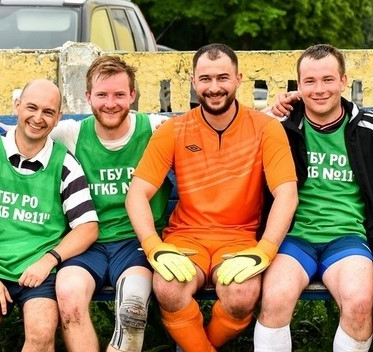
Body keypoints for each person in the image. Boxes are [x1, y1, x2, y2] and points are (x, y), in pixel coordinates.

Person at [125, 43, 298, 352]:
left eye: (223, 78)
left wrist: (266, 249)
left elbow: (286, 194)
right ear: (194, 82)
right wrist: (153, 246)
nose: (214, 87)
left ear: (238, 79)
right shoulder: (174, 129)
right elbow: (137, 193)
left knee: (242, 294)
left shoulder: (266, 128)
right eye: (205, 79)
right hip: (186, 236)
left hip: (239, 237)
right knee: (167, 287)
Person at [254, 44, 373, 352]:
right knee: (274, 298)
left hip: (347, 237)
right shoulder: (280, 128)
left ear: (343, 81)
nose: (319, 89)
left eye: (328, 80)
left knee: (359, 303)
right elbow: (238, 130)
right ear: (298, 86)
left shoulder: (372, 127)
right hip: (294, 238)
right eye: (310, 82)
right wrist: (273, 110)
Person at [52, 55, 172, 352]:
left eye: (119, 94)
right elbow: (18, 137)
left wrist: (274, 111)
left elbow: (213, 127)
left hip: (137, 242)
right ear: (88, 96)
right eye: (102, 95)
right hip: (86, 242)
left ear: (132, 95)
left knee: (132, 310)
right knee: (68, 299)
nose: (110, 103)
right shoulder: (71, 134)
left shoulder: (155, 128)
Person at [0, 79, 98, 352]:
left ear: (58, 118)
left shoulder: (65, 163)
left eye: (48, 112)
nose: (38, 118)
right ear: (17, 106)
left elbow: (88, 227)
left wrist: (48, 260)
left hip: (40, 272)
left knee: (41, 336)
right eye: (31, 108)